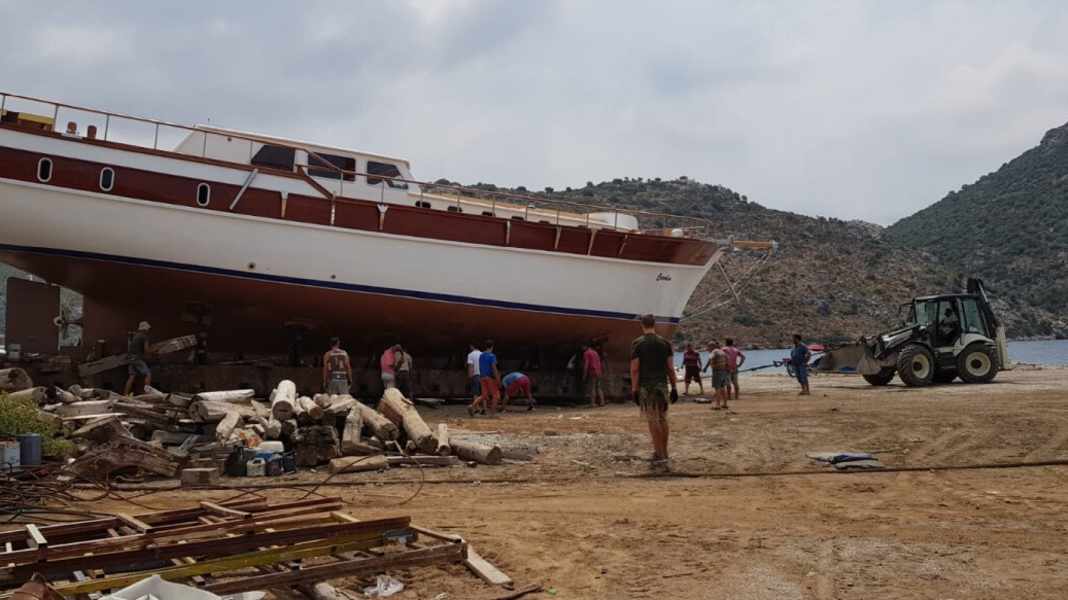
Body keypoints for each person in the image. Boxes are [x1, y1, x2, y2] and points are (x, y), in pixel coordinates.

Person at [630, 314, 678, 470]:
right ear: (654, 324)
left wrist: (634, 389)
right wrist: (674, 387)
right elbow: (670, 368)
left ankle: (659, 455)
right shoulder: (665, 343)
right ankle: (665, 452)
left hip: (647, 386)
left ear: (642, 325)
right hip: (662, 386)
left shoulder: (638, 343)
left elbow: (635, 369)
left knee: (652, 420)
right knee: (663, 419)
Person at [472, 340, 501, 416]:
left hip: (482, 377)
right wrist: (498, 379)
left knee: (484, 395)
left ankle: (472, 406)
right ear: (492, 347)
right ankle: (492, 414)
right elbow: (494, 368)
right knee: (495, 395)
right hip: (490, 377)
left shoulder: (481, 355)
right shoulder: (492, 356)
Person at [124, 321, 152, 395]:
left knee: (132, 376)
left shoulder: (135, 336)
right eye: (147, 329)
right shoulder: (144, 337)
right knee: (148, 374)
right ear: (145, 329)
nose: (148, 330)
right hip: (137, 359)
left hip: (130, 358)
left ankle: (125, 395)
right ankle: (147, 394)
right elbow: (146, 350)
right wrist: (153, 351)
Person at [703, 340, 730, 410]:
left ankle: (717, 405)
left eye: (708, 347)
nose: (708, 348)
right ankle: (725, 404)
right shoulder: (722, 352)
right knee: (723, 388)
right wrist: (727, 369)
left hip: (717, 372)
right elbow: (727, 360)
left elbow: (710, 358)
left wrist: (705, 368)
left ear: (712, 346)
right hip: (723, 371)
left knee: (717, 388)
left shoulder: (714, 351)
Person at [583, 342, 605, 407]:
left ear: (585, 347)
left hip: (593, 372)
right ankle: (602, 402)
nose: (582, 348)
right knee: (599, 387)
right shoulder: (595, 352)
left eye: (582, 347)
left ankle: (592, 403)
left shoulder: (586, 353)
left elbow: (586, 364)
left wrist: (584, 374)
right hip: (599, 372)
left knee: (592, 387)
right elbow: (599, 362)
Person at [466, 343, 482, 413]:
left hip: (475, 375)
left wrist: (469, 376)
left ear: (472, 346)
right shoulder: (482, 354)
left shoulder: (470, 355)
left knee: (476, 393)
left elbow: (471, 366)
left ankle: (476, 408)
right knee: (483, 393)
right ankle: (483, 408)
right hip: (483, 375)